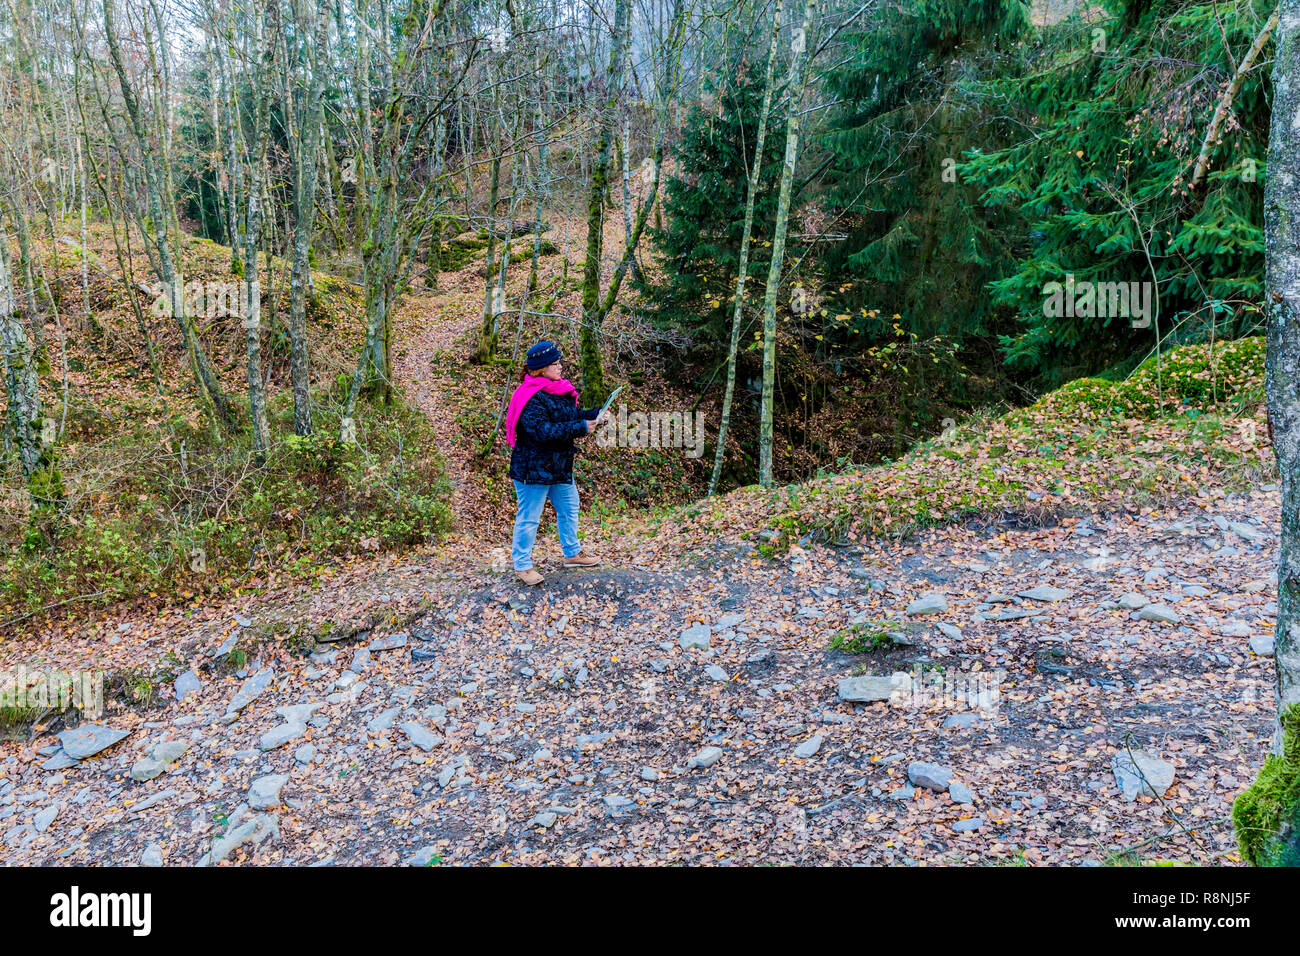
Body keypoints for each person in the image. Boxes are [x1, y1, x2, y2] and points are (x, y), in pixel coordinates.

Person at [505, 340, 609, 586]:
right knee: (529, 517)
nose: (561, 367)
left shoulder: (555, 389)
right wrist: (581, 427)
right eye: (555, 363)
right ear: (541, 368)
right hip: (533, 469)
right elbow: (541, 430)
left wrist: (595, 415)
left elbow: (569, 416)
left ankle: (572, 554)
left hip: (558, 466)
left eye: (559, 362)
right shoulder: (529, 396)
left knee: (570, 507)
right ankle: (522, 565)